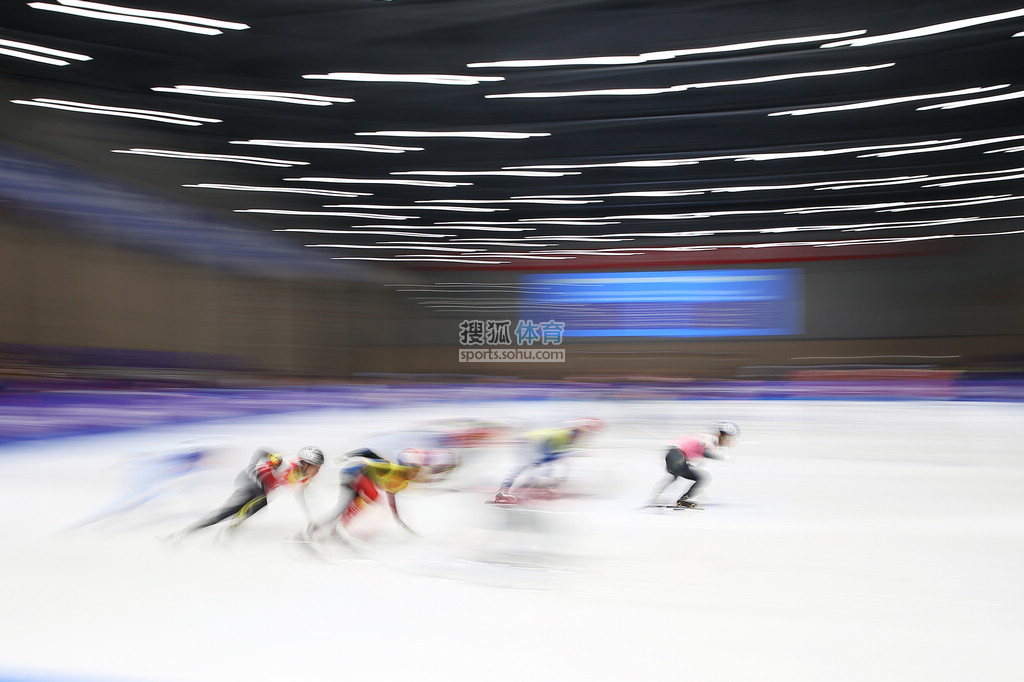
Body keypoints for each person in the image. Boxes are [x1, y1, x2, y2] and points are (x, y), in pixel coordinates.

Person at [176, 445, 324, 537]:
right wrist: (251, 467)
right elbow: (262, 451)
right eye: (316, 466)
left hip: (262, 489)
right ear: (305, 463)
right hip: (251, 479)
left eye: (319, 467)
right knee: (255, 502)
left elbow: (301, 494)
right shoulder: (285, 463)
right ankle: (190, 532)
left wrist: (311, 518)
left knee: (252, 505)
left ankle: (223, 531)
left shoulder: (304, 477)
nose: (318, 470)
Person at [306, 447, 430, 543]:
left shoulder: (402, 483)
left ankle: (324, 528)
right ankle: (330, 529)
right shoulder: (390, 467)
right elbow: (366, 457)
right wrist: (347, 456)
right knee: (372, 497)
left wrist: (398, 518)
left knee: (349, 508)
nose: (416, 474)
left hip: (360, 482)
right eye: (415, 470)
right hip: (352, 474)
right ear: (407, 467)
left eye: (419, 471)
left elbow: (391, 497)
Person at [492, 417, 603, 504]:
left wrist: (564, 474)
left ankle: (532, 489)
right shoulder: (561, 436)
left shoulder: (569, 437)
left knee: (544, 466)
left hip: (534, 443)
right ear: (576, 431)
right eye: (582, 433)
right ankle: (504, 492)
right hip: (527, 442)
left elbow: (560, 458)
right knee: (527, 466)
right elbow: (547, 456)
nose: (582, 436)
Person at [647, 422, 739, 508]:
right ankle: (675, 498)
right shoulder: (712, 439)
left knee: (693, 477)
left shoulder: (710, 441)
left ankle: (663, 498)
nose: (730, 441)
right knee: (697, 476)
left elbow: (698, 466)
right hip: (676, 454)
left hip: (674, 455)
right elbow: (706, 453)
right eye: (729, 438)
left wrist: (699, 490)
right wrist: (723, 458)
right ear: (722, 436)